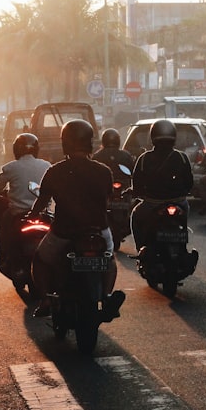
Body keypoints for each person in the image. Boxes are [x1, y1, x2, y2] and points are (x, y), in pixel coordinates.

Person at [29, 119, 125, 320]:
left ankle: (46, 299)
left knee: (40, 259)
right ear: (90, 142)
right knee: (109, 260)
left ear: (65, 142)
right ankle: (106, 296)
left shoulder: (55, 171)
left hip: (64, 232)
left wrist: (33, 215)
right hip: (98, 230)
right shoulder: (103, 171)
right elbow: (107, 198)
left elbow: (42, 200)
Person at [0, 133, 51, 267]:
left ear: (16, 149)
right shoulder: (46, 165)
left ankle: (3, 252)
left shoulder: (11, 167)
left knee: (4, 225)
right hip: (43, 213)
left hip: (18, 212)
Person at [130, 119, 194, 250]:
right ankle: (182, 246)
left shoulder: (144, 158)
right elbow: (189, 183)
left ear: (152, 137)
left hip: (152, 203)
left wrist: (136, 193)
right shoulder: (181, 157)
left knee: (135, 216)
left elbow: (137, 184)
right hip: (179, 203)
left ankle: (141, 250)